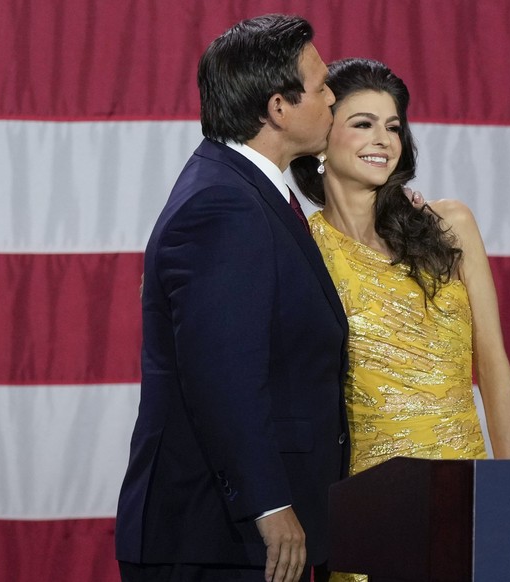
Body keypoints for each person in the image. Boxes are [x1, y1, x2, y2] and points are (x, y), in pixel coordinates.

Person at [115, 15, 349, 582]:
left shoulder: (245, 193)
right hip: (222, 538)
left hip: (242, 536)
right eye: (321, 87)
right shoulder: (224, 206)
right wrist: (268, 505)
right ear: (277, 108)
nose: (332, 97)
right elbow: (224, 373)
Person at [291, 58, 510, 581]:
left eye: (393, 126)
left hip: (468, 487)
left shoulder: (448, 224)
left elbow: (494, 364)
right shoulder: (301, 245)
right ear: (324, 139)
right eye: (363, 123)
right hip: (369, 499)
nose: (384, 139)